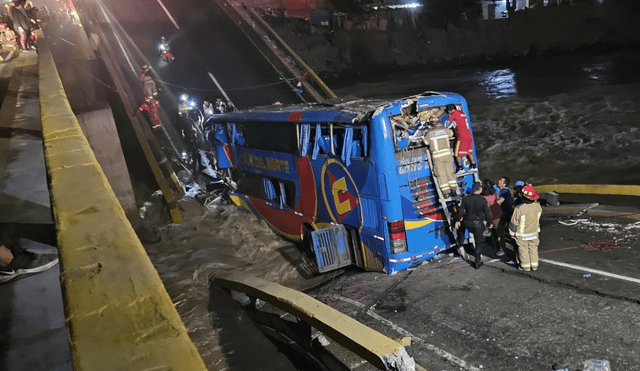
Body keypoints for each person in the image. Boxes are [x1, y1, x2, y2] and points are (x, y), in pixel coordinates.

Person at [455, 182, 494, 269]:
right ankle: (477, 262)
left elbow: (461, 211)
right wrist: (490, 223)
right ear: (480, 190)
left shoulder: (466, 199)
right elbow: (487, 213)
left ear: (473, 189)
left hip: (467, 221)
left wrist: (457, 220)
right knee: (478, 243)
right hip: (477, 224)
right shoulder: (483, 200)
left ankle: (460, 240)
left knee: (461, 228)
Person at [509, 185, 543, 272]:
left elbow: (514, 223)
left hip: (522, 234)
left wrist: (512, 234)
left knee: (523, 250)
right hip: (534, 232)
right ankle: (534, 265)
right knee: (533, 248)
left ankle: (525, 266)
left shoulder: (519, 209)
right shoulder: (538, 206)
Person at [424, 119, 458, 199]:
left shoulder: (430, 134)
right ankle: (453, 190)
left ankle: (446, 193)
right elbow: (452, 134)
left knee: (441, 174)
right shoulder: (446, 130)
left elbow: (425, 142)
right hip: (447, 154)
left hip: (437, 156)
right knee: (450, 172)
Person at [445, 104, 476, 174]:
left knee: (457, 153)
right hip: (468, 134)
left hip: (461, 136)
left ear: (450, 110)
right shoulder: (462, 113)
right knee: (469, 152)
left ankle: (460, 168)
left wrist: (446, 129)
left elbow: (448, 122)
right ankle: (474, 166)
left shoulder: (454, 113)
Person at [481, 179, 503, 255]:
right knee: (500, 233)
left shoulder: (483, 198)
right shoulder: (495, 194)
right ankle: (502, 248)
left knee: (494, 235)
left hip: (491, 217)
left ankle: (498, 249)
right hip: (499, 215)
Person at [495, 176, 514, 255]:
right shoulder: (506, 190)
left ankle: (502, 248)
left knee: (500, 231)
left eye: (501, 181)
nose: (499, 181)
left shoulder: (504, 192)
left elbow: (499, 202)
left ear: (504, 184)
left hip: (504, 214)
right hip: (507, 213)